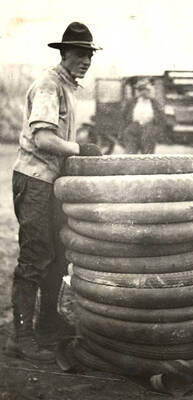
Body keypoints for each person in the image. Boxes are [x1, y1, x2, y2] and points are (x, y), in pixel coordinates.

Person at [4, 22, 102, 362]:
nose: (85, 60)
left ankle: (47, 322)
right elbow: (44, 139)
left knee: (58, 256)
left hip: (52, 183)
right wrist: (78, 148)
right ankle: (21, 336)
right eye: (79, 54)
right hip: (35, 180)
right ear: (64, 53)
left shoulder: (67, 86)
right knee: (35, 256)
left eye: (89, 54)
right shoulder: (49, 85)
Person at [120, 79, 166, 154]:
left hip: (149, 131)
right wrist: (124, 132)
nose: (144, 92)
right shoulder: (131, 102)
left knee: (147, 158)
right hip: (133, 130)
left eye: (147, 90)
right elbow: (123, 117)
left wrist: (156, 131)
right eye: (141, 90)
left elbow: (162, 119)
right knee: (130, 157)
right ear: (138, 91)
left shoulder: (155, 104)